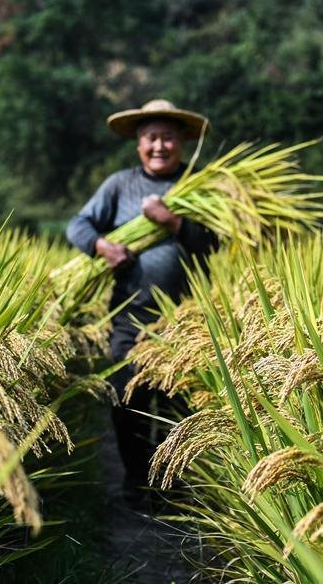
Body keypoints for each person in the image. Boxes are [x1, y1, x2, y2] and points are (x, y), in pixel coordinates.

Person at [66, 99, 218, 488]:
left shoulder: (199, 187)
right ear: (138, 143)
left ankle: (173, 487)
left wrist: (172, 222)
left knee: (177, 404)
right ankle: (137, 482)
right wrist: (102, 247)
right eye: (151, 137)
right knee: (126, 401)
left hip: (186, 322)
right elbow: (78, 225)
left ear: (182, 141)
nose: (159, 146)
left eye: (168, 137)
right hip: (130, 316)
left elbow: (216, 243)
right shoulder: (120, 184)